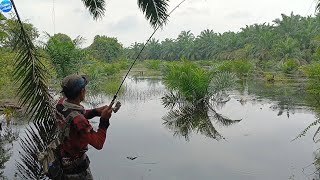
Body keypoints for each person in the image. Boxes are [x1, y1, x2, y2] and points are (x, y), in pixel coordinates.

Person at [56, 74, 116, 180]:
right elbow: (98, 143)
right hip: (77, 169)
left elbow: (74, 115)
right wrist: (104, 120)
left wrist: (96, 111)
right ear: (81, 92)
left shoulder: (60, 105)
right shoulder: (80, 121)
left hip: (62, 160)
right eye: (84, 88)